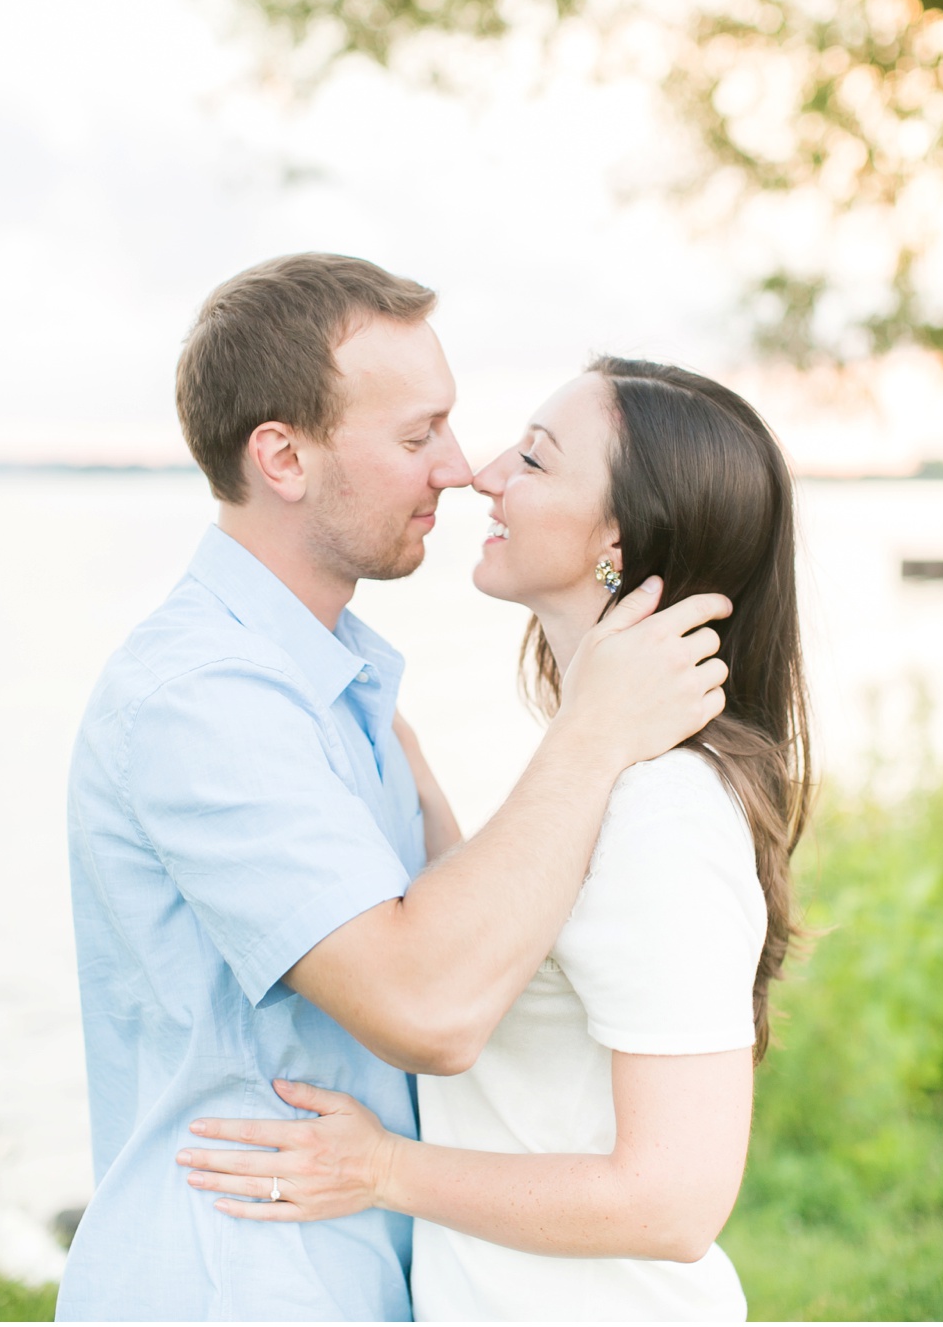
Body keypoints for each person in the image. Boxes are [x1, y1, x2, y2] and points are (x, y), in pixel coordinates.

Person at [56, 254, 733, 1322]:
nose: (460, 468)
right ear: (281, 456)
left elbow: (487, 957)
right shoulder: (205, 699)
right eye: (418, 435)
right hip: (242, 1278)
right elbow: (428, 1005)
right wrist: (594, 725)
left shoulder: (351, 692)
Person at [179, 358, 808, 1321]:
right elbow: (501, 950)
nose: (482, 472)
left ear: (617, 540)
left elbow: (677, 1199)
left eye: (537, 460)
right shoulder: (594, 766)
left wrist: (383, 1168)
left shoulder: (666, 809)